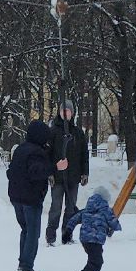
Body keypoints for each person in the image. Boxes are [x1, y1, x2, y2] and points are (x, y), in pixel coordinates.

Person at [7, 119, 69, 271]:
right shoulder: (36, 152)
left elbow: (10, 172)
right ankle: (27, 266)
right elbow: (37, 172)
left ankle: (23, 262)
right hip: (30, 198)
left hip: (16, 197)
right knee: (33, 233)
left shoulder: (21, 149)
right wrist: (56, 168)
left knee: (25, 230)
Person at [45, 100, 90, 246]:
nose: (65, 113)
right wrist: (50, 172)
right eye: (63, 110)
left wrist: (85, 172)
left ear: (72, 113)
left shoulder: (77, 132)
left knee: (71, 208)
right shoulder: (52, 132)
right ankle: (50, 236)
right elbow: (46, 154)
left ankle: (67, 235)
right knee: (56, 207)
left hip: (73, 177)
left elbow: (84, 154)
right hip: (57, 178)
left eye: (68, 111)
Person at [63, 185, 121, 271]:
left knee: (93, 260)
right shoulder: (106, 210)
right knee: (96, 263)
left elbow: (74, 219)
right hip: (95, 239)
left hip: (85, 240)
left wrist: (68, 231)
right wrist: (116, 227)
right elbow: (114, 222)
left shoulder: (87, 209)